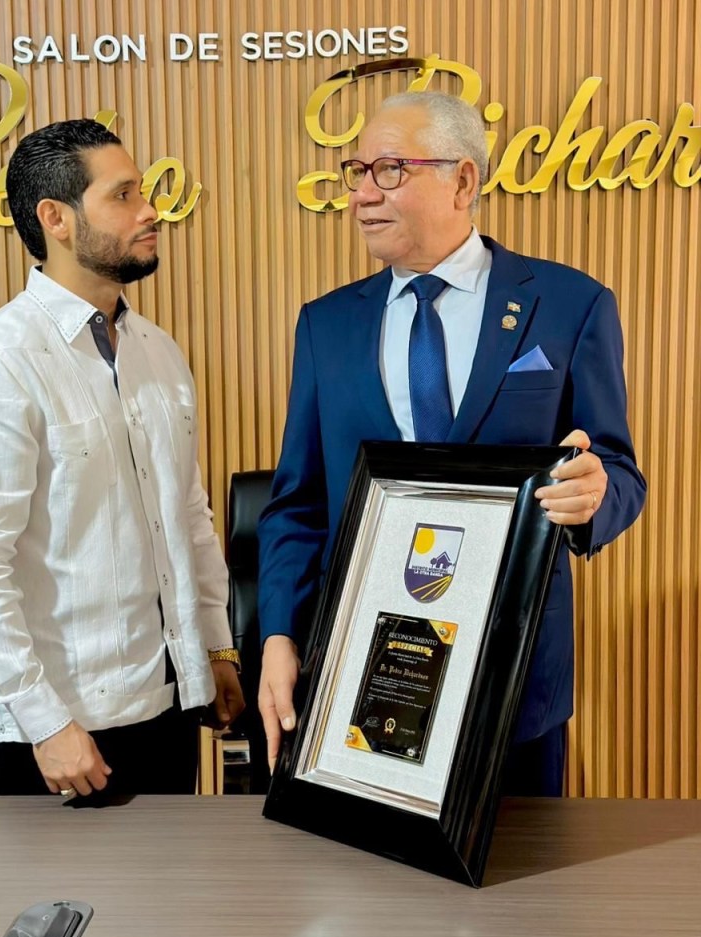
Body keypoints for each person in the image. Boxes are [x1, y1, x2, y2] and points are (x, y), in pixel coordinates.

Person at [257, 92, 646, 796]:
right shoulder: (326, 325)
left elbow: (618, 470)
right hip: (367, 671)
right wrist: (278, 636)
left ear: (463, 181)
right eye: (356, 172)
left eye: (389, 170)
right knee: (371, 865)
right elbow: (299, 503)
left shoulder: (570, 305)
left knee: (524, 863)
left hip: (514, 673)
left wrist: (596, 495)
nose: (362, 195)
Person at [0, 119, 244, 798]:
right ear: (57, 219)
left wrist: (215, 647)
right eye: (123, 195)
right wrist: (45, 723)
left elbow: (188, 516)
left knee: (178, 874)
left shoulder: (158, 351)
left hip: (170, 701)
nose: (150, 210)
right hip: (65, 731)